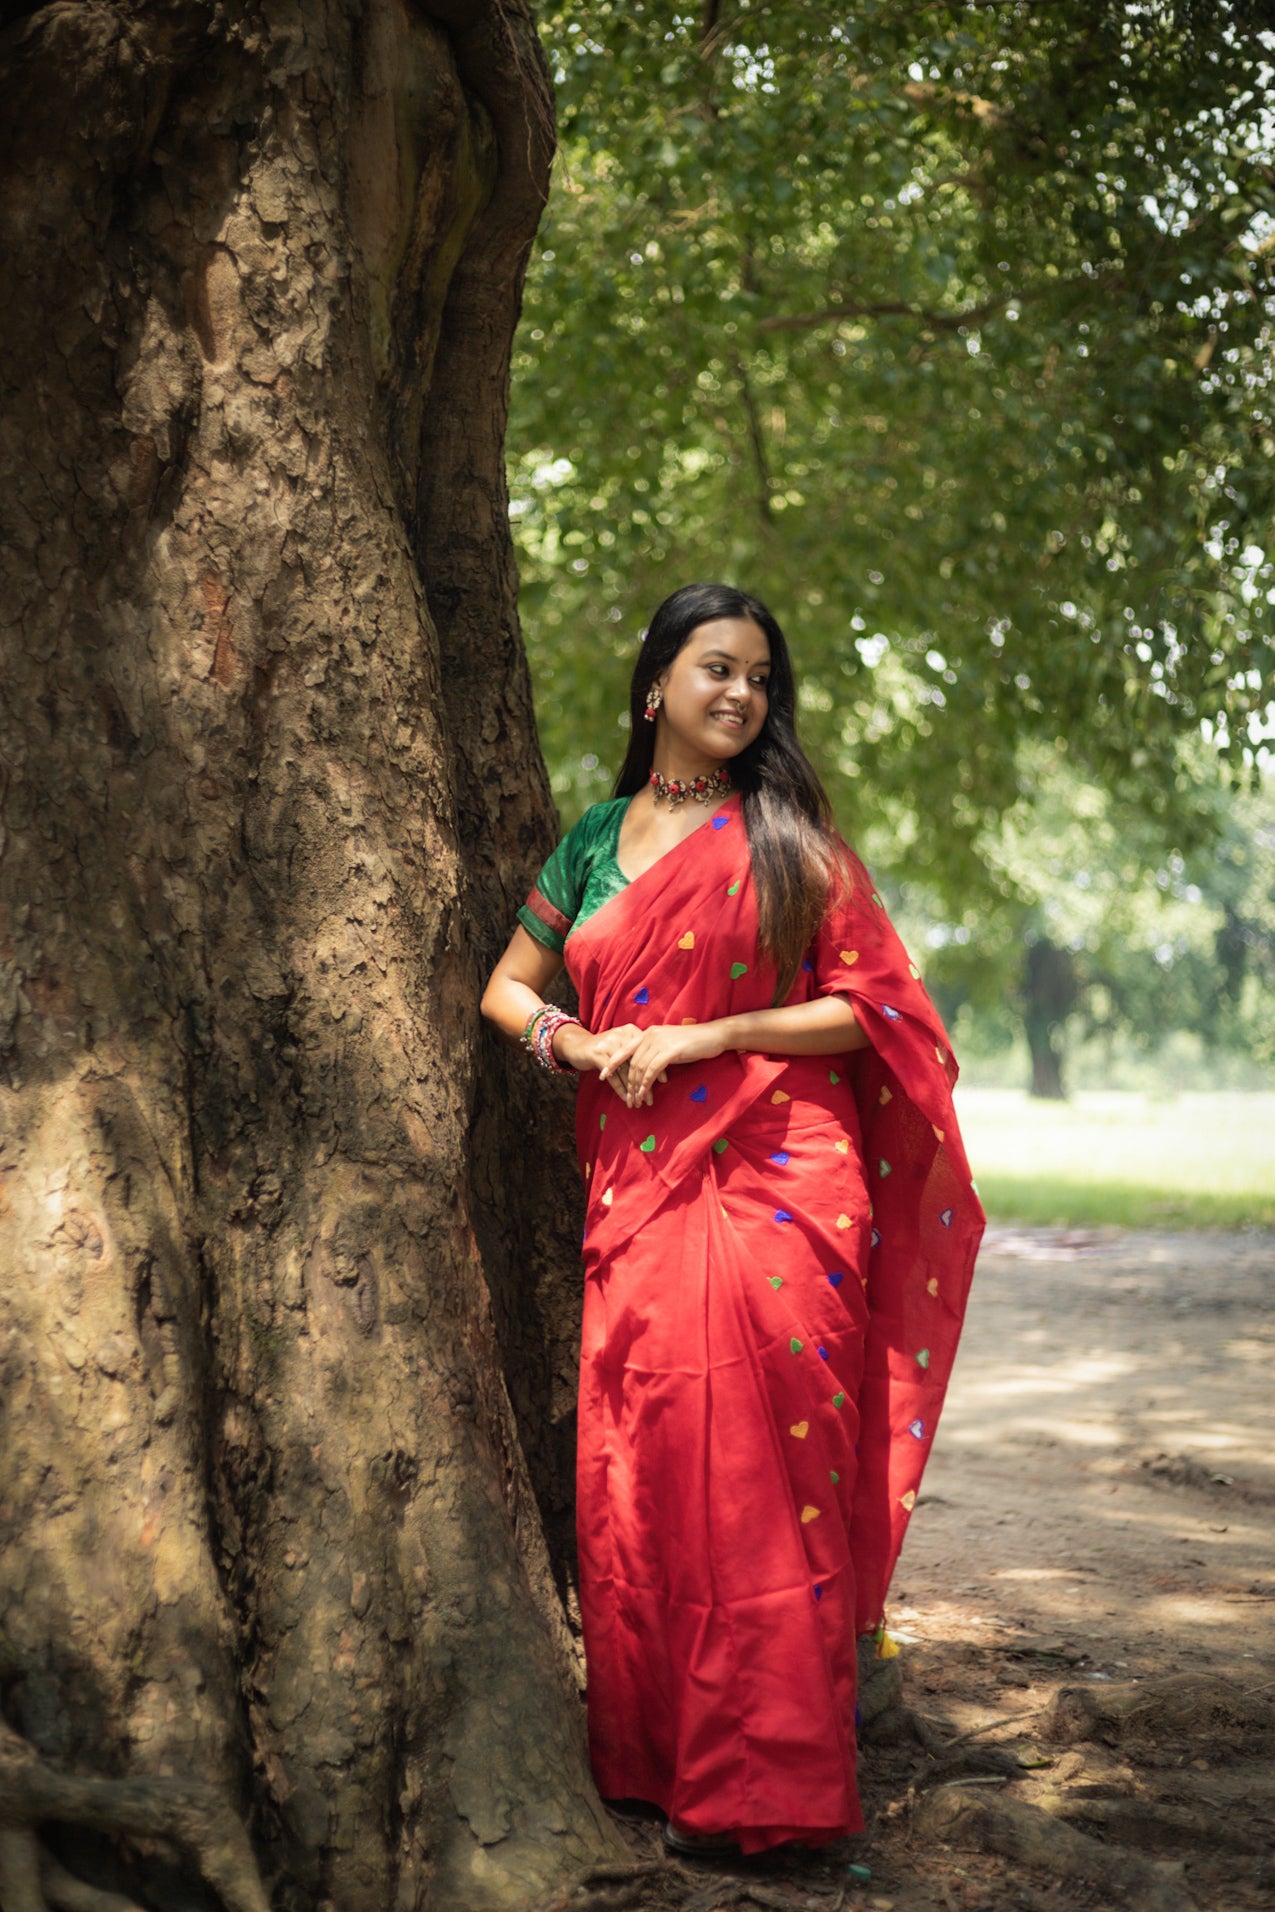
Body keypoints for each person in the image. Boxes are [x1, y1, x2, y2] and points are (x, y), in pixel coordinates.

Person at [481, 582, 983, 1856]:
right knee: (648, 1468)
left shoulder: (788, 841)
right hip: (641, 1191)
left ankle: (781, 1791)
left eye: (760, 677)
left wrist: (716, 1028)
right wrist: (579, 1046)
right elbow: (505, 988)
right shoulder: (594, 841)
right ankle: (662, 1768)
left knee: (775, 1479)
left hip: (782, 1185)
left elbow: (878, 1012)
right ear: (657, 684)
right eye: (716, 668)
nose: (741, 694)